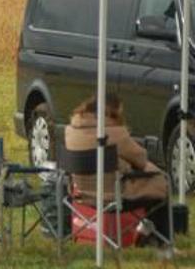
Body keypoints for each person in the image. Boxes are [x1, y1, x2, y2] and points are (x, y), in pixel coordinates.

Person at [65, 94, 170, 241]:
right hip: (114, 196)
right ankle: (158, 239)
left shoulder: (71, 130)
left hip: (82, 194)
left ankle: (147, 234)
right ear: (112, 111)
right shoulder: (114, 132)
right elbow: (140, 159)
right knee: (162, 185)